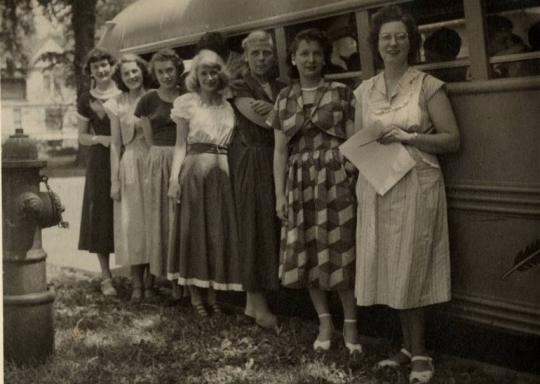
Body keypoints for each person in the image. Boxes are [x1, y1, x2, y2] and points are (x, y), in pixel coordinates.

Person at [353, 6, 460, 383]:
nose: (393, 43)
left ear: (411, 42)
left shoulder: (427, 85)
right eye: (386, 37)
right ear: (377, 44)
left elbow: (452, 139)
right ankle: (406, 346)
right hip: (378, 184)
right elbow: (358, 140)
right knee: (393, 267)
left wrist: (410, 136)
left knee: (412, 266)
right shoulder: (364, 91)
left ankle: (421, 355)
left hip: (416, 182)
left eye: (400, 36)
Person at [267, 28, 361, 355]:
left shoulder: (342, 93)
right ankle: (324, 323)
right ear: (293, 59)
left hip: (334, 178)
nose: (310, 60)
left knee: (340, 249)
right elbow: (279, 151)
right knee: (306, 250)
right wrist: (279, 195)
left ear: (325, 59)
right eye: (304, 53)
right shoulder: (284, 98)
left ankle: (350, 324)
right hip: (298, 182)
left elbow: (354, 141)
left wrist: (349, 175)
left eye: (317, 54)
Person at [167, 49, 242, 317]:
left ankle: (214, 294)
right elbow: (179, 146)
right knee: (193, 230)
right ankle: (196, 295)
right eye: (203, 72)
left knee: (216, 230)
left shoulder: (228, 105)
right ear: (195, 76)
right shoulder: (187, 103)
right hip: (195, 169)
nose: (209, 77)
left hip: (222, 172)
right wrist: (174, 180)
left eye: (214, 72)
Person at [228, 31, 284, 329]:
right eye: (256, 53)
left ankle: (252, 307)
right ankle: (261, 310)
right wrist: (280, 112)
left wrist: (276, 112)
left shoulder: (281, 86)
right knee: (255, 228)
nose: (262, 58)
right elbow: (264, 121)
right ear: (246, 56)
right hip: (254, 160)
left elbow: (279, 119)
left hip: (279, 157)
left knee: (271, 228)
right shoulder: (238, 86)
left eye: (267, 53)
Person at [134, 49, 184, 301]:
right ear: (154, 74)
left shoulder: (187, 97)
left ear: (178, 71)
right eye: (160, 71)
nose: (165, 76)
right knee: (160, 219)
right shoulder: (147, 101)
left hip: (183, 158)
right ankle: (158, 279)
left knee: (180, 219)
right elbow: (149, 140)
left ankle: (181, 282)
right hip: (158, 159)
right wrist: (159, 159)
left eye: (170, 70)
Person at [104, 54, 152, 303]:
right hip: (130, 162)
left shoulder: (155, 96)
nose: (132, 76)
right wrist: (114, 180)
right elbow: (114, 144)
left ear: (142, 70)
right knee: (133, 223)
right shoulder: (117, 104)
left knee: (153, 220)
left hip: (154, 161)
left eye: (135, 71)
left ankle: (151, 283)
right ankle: (136, 284)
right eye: (126, 74)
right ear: (120, 78)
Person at [77, 48, 122, 296]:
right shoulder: (86, 98)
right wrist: (99, 139)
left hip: (125, 155)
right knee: (101, 214)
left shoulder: (124, 91)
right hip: (100, 160)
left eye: (104, 65)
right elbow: (82, 137)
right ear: (90, 71)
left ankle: (142, 276)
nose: (101, 70)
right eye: (96, 67)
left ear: (112, 66)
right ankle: (106, 277)